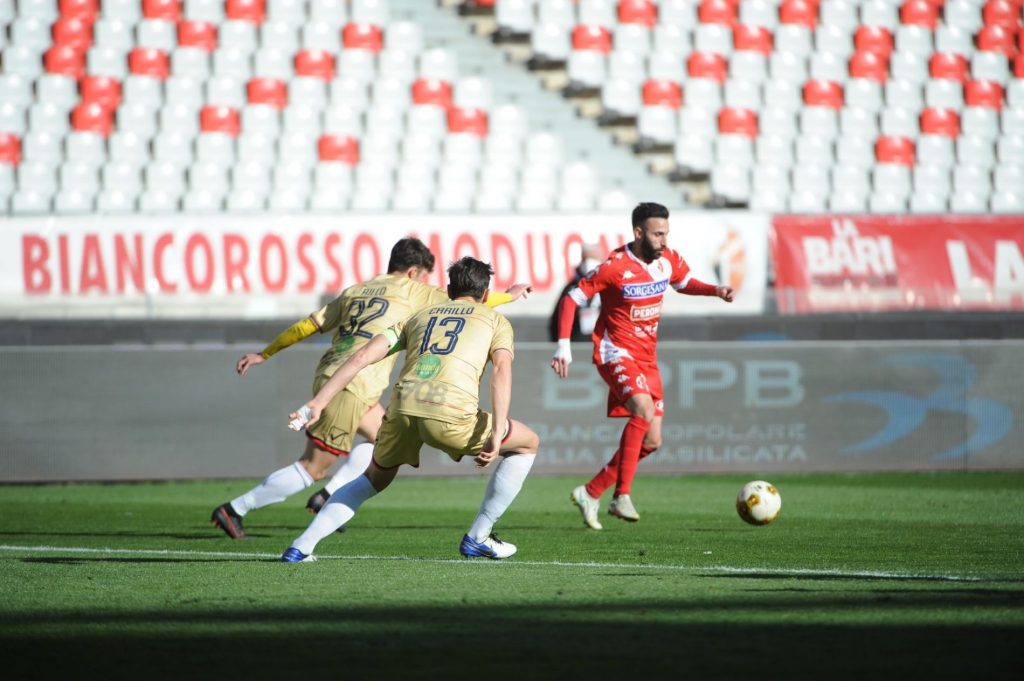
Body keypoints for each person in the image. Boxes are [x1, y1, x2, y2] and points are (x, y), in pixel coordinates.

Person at [211, 238, 530, 539]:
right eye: (424, 276)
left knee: (382, 439)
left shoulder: (356, 290)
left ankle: (329, 495)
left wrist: (266, 353)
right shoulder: (414, 291)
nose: (425, 282)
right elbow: (469, 301)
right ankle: (236, 508)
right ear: (413, 272)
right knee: (312, 467)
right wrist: (509, 295)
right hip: (355, 382)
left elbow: (307, 325)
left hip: (332, 372)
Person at [281, 256, 540, 562]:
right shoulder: (495, 320)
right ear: (485, 294)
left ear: (448, 290)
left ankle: (300, 547)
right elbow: (502, 371)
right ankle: (479, 536)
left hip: (402, 407)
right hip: (451, 412)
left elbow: (361, 357)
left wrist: (319, 402)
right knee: (528, 443)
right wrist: (496, 433)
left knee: (372, 478)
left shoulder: (418, 316)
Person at [550, 203, 734, 530]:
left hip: (647, 358)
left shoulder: (667, 260)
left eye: (666, 233)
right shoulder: (615, 266)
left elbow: (684, 282)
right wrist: (563, 346)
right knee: (643, 410)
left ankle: (590, 492)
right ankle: (621, 495)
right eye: (657, 234)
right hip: (615, 352)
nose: (664, 240)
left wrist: (715, 291)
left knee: (652, 441)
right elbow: (571, 298)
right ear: (638, 233)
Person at [547, 243, 604, 343]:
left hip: (601, 346)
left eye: (593, 258)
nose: (589, 263)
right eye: (586, 259)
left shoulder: (609, 288)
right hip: (576, 345)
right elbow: (556, 321)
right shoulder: (571, 288)